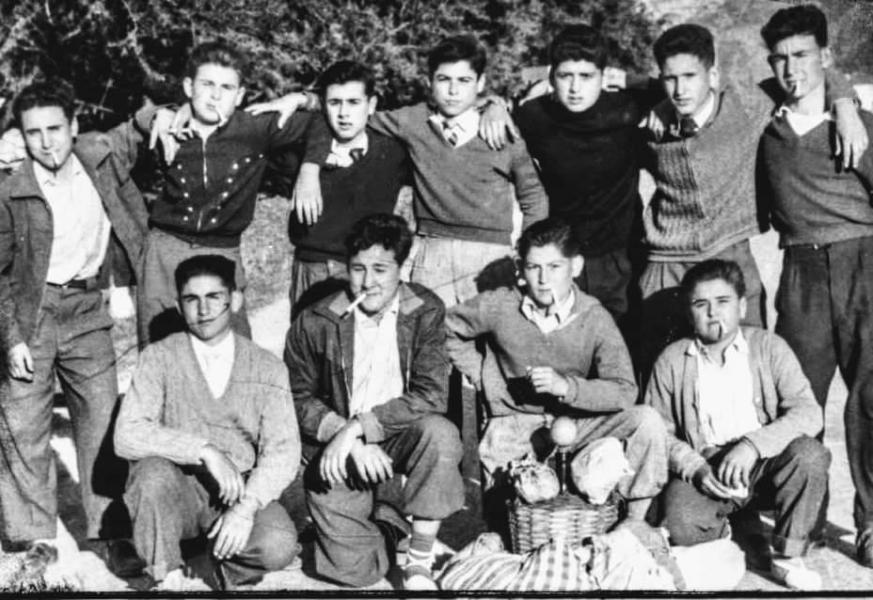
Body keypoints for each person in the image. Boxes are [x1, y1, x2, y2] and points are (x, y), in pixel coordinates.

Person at [250, 34, 549, 307]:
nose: (453, 90)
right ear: (429, 81)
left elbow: (533, 197)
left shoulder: (501, 130)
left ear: (480, 83)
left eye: (464, 80)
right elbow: (351, 111)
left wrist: (529, 253)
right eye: (443, 79)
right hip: (432, 252)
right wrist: (303, 99)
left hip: (492, 256)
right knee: (430, 337)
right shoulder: (413, 121)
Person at [636, 22, 866, 377]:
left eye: (690, 76)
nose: (680, 90)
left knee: (748, 374)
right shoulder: (650, 120)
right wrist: (658, 103)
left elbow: (811, 75)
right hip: (666, 262)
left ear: (713, 75)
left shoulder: (745, 107)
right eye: (671, 79)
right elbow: (611, 89)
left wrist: (845, 104)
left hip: (729, 254)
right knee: (661, 374)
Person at [0, 79, 150, 574]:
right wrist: (12, 338)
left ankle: (113, 532)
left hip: (87, 308)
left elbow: (147, 122)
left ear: (74, 126)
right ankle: (34, 539)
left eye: (55, 129)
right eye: (34, 132)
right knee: (24, 424)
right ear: (20, 136)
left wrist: (164, 116)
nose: (47, 143)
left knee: (103, 422)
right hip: (33, 312)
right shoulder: (11, 186)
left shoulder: (99, 157)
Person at [445, 218, 668, 522]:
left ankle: (634, 523)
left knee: (646, 420)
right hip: (515, 422)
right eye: (533, 267)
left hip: (578, 423)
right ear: (520, 269)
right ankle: (503, 533)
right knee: (511, 511)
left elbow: (624, 390)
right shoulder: (499, 305)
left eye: (554, 267)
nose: (543, 279)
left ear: (575, 266)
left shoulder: (594, 316)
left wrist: (567, 387)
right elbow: (447, 328)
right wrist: (484, 375)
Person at [285, 214, 463, 591]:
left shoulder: (424, 309)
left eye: (380, 269)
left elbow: (432, 394)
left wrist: (359, 428)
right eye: (358, 269)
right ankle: (387, 525)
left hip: (398, 432)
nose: (368, 282)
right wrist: (345, 435)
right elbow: (295, 397)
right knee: (353, 572)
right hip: (340, 445)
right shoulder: (317, 319)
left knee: (440, 434)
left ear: (402, 269)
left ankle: (418, 562)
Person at [757, 4, 873, 567]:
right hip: (800, 267)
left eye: (802, 55)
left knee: (870, 396)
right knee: (799, 398)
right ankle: (803, 521)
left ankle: (871, 523)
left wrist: (845, 104)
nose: (791, 69)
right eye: (779, 58)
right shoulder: (766, 126)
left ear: (826, 56)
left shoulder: (858, 124)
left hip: (862, 260)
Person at [114, 254, 300, 590]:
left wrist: (245, 509)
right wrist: (204, 450)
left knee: (277, 544)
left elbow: (283, 451)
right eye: (191, 299)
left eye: (214, 297)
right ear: (178, 305)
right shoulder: (158, 356)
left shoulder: (267, 366)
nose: (203, 310)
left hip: (236, 492)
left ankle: (216, 563)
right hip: (178, 491)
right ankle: (164, 573)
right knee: (151, 475)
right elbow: (127, 433)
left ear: (235, 300)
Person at [645, 259, 829, 591]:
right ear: (689, 313)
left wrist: (753, 446)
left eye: (723, 301)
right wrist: (696, 468)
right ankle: (739, 533)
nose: (712, 313)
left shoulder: (768, 346)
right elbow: (658, 432)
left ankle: (788, 557)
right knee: (680, 521)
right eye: (701, 304)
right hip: (710, 467)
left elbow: (808, 412)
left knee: (810, 455)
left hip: (764, 464)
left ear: (742, 306)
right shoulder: (672, 360)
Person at [137, 39, 316, 346]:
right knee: (161, 350)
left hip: (222, 252)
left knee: (235, 352)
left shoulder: (255, 128)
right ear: (188, 86)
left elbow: (327, 119)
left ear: (240, 95)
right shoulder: (169, 128)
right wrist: (158, 114)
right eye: (207, 84)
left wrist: (302, 100)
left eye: (227, 87)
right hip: (164, 254)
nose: (216, 96)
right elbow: (134, 121)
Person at [513, 25, 654, 327]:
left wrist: (628, 79)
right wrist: (492, 108)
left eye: (587, 76)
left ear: (603, 76)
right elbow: (498, 110)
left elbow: (674, 89)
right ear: (552, 77)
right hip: (563, 256)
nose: (575, 88)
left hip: (621, 257)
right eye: (566, 76)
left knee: (623, 342)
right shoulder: (535, 116)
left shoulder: (626, 108)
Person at [288, 60, 409, 316]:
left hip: (367, 272)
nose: (344, 113)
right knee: (307, 337)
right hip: (313, 269)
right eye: (335, 103)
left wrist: (492, 105)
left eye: (354, 102)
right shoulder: (303, 150)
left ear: (371, 105)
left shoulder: (393, 152)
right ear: (323, 105)